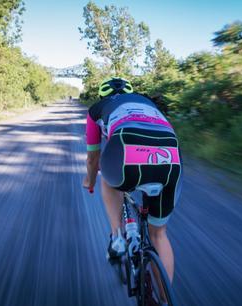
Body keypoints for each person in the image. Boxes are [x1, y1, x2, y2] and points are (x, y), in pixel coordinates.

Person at [83, 77, 182, 282]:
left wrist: (90, 181)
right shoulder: (149, 103)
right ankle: (164, 299)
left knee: (107, 175)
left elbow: (93, 158)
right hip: (170, 158)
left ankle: (117, 236)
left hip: (126, 156)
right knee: (159, 234)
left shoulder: (97, 109)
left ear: (102, 96)